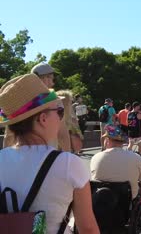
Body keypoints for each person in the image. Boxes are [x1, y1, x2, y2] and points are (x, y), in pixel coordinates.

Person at [0, 74, 99, 234]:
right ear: (43, 118)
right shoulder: (69, 164)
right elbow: (87, 227)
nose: (61, 118)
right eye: (59, 112)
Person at [90, 124, 141, 199]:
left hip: (102, 203)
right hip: (127, 204)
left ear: (107, 140)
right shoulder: (136, 158)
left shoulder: (95, 158)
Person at [57, 90, 84, 154]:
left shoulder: (54, 120)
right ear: (65, 103)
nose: (71, 103)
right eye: (70, 101)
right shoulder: (66, 123)